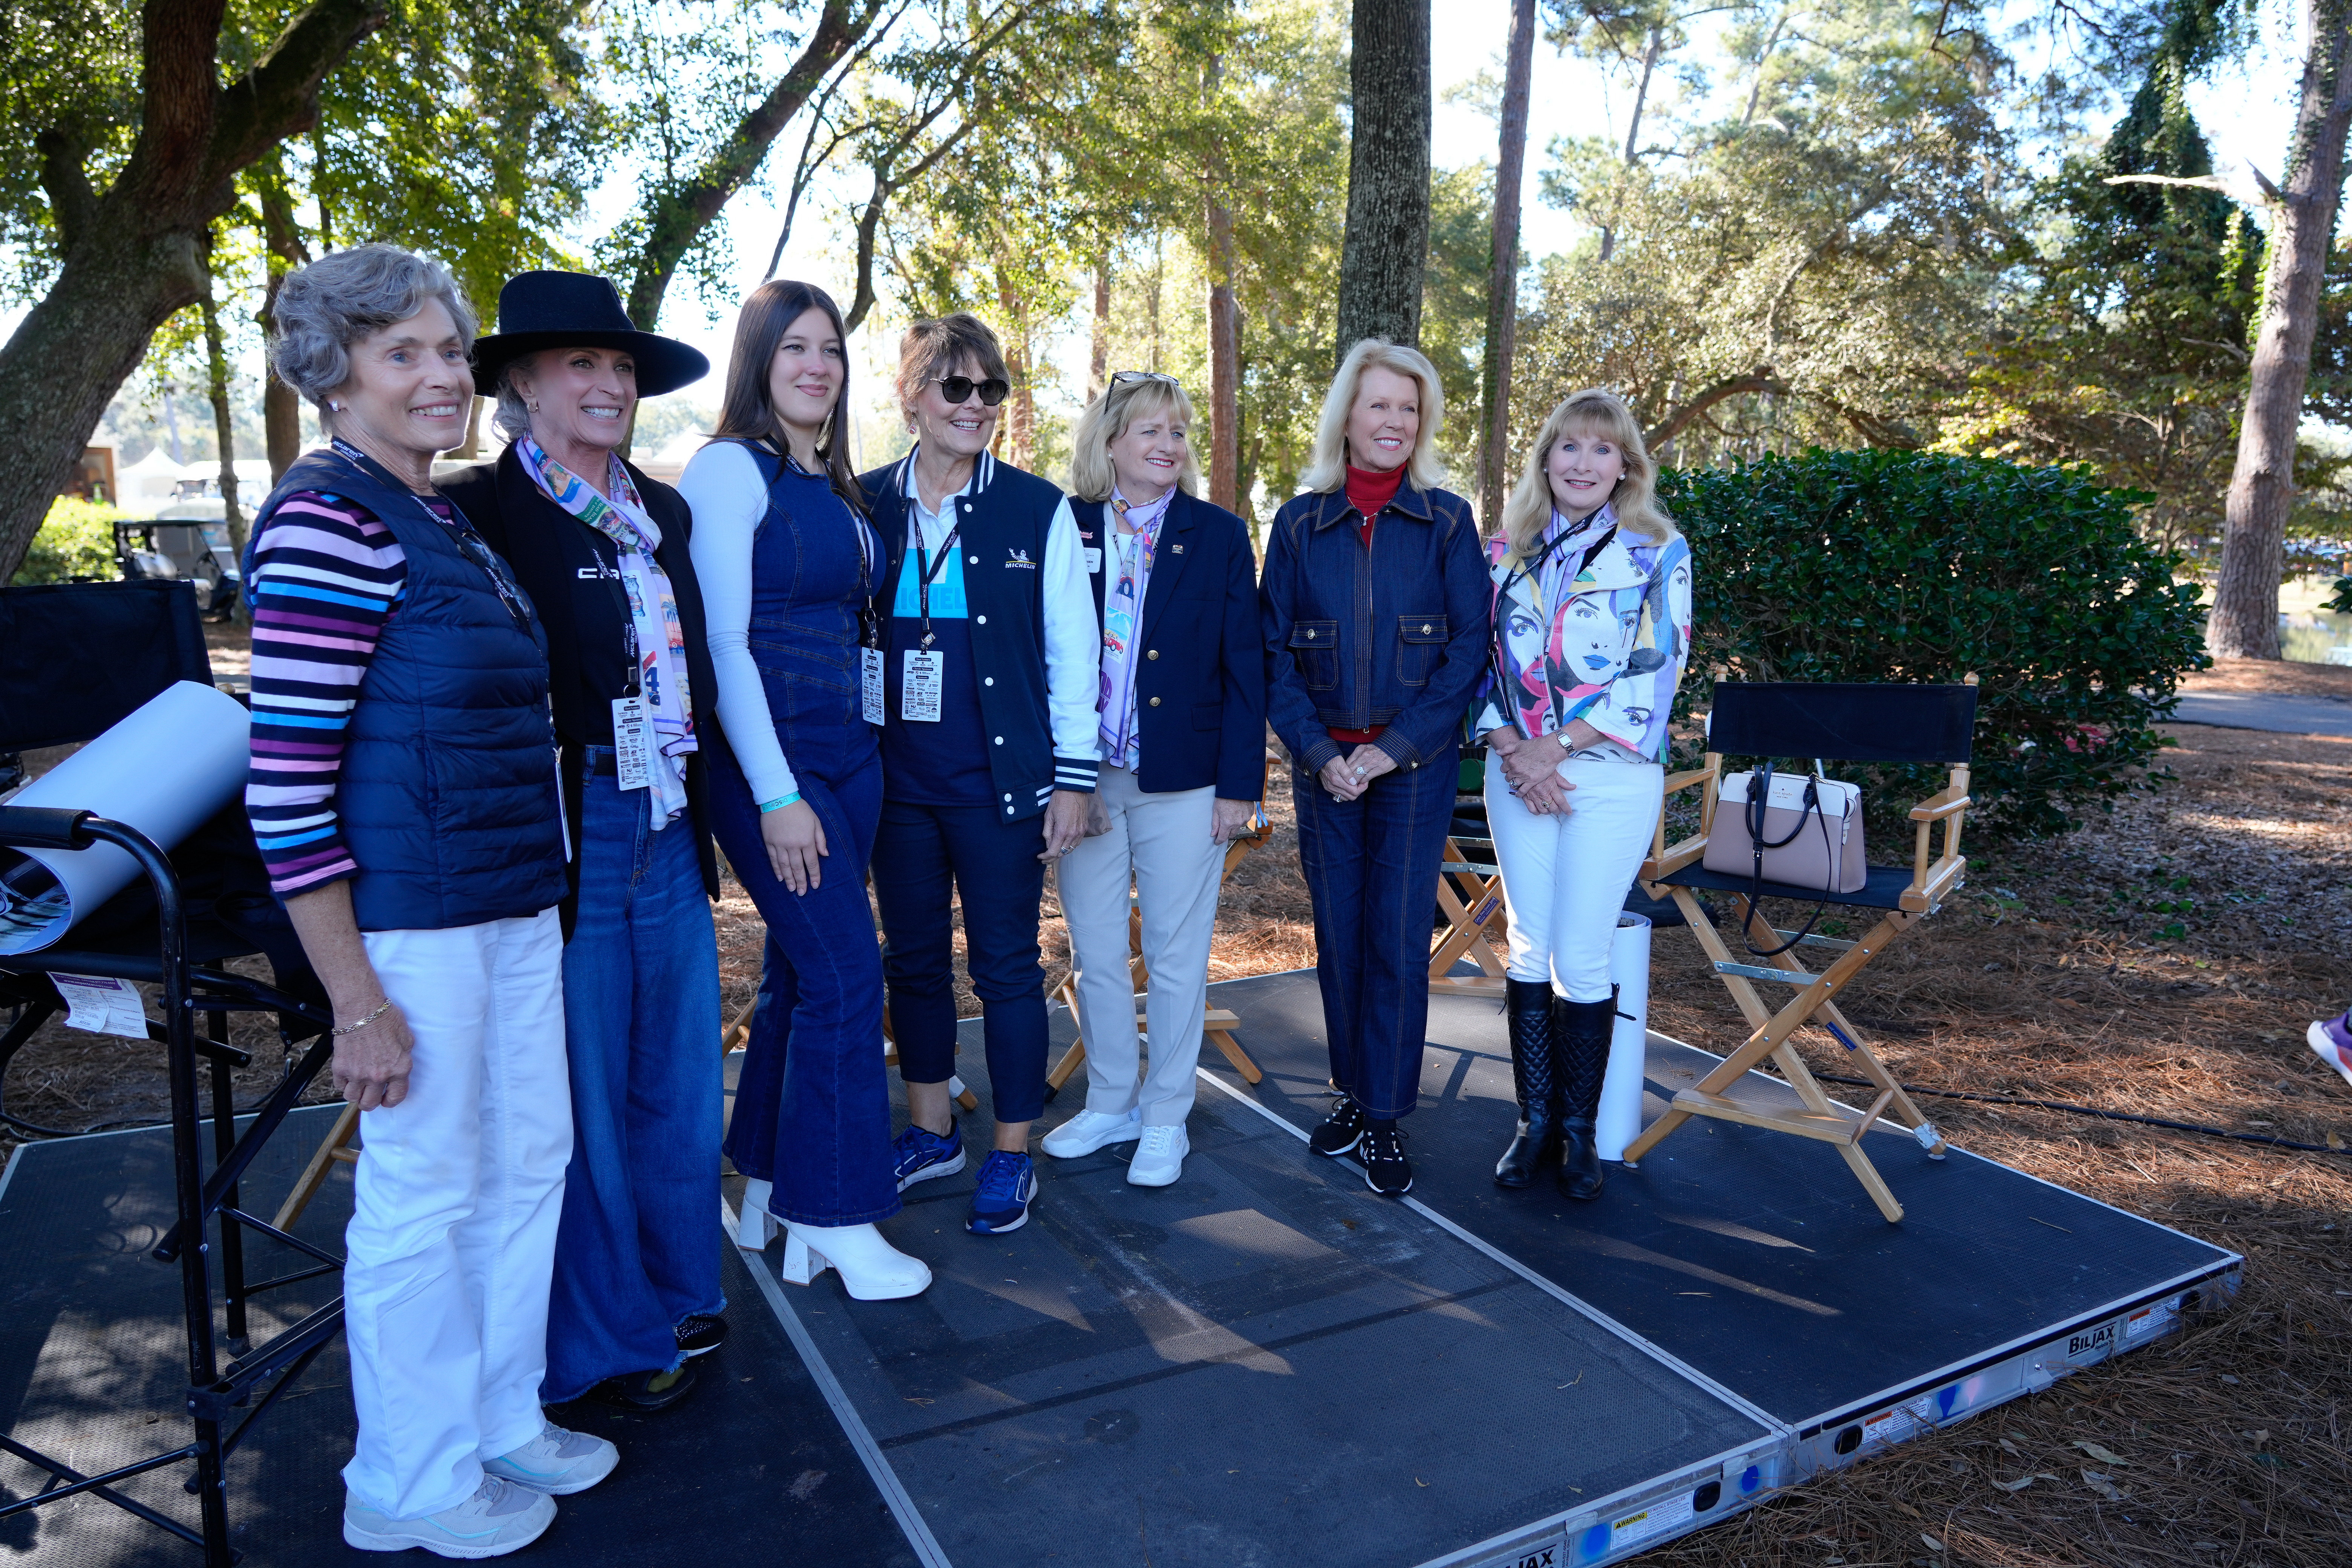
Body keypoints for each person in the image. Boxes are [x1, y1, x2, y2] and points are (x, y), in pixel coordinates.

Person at [246, 244, 606, 1559]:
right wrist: (357, 1002)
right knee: (424, 1193)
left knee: (527, 1168)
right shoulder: (326, 520)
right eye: (403, 353)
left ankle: (498, 1417)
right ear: (334, 375)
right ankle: (405, 1479)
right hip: (410, 927)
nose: (442, 375)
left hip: (513, 905)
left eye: (450, 350)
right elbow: (285, 791)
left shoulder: (442, 515)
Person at [441, 270, 727, 1413]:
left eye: (621, 368)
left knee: (677, 1073)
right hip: (568, 830)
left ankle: (678, 1287)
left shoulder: (670, 511)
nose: (609, 385)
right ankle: (606, 1335)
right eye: (582, 366)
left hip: (667, 818)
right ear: (521, 383)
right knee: (584, 1087)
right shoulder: (479, 511)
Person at [677, 281, 931, 1299]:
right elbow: (723, 645)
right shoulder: (727, 470)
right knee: (843, 978)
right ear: (759, 363)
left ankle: (772, 1178)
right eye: (794, 349)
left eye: (830, 348)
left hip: (852, 759)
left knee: (798, 976)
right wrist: (777, 795)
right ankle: (836, 1215)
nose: (817, 365)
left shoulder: (835, 484)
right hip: (771, 766)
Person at [862, 312, 1101, 1236]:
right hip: (896, 787)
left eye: (990, 389)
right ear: (911, 395)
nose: (975, 405)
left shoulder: (1034, 507)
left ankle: (1010, 1150)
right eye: (954, 386)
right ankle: (932, 1132)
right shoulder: (869, 501)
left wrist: (1072, 781)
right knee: (912, 963)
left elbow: (1073, 656)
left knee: (1005, 967)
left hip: (1002, 785)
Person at [1259, 338, 1491, 1197]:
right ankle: (1351, 1093)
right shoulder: (1297, 524)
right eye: (1379, 405)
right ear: (1347, 417)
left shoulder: (1448, 520)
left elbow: (1470, 651)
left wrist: (1388, 752)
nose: (1394, 421)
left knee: (1395, 941)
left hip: (1413, 766)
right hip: (1326, 772)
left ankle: (1387, 1117)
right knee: (1340, 939)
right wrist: (1323, 757)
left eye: (1409, 407)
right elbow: (1271, 653)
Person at [1040, 372, 1266, 1187]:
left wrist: (1242, 783)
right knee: (1097, 952)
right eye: (1150, 431)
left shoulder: (1217, 534)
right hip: (1085, 779)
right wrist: (1057, 775)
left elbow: (1247, 665)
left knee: (1176, 955)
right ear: (1109, 444)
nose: (1168, 445)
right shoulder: (1063, 525)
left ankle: (1165, 1116)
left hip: (1187, 780)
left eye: (1178, 432)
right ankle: (1109, 1101)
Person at [1474, 388, 1693, 1200]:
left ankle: (1579, 1133)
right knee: (1529, 944)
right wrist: (1515, 751)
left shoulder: (1657, 551)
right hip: (1515, 772)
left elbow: (1655, 673)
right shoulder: (1505, 552)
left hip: (1608, 776)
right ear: (1545, 459)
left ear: (1626, 464)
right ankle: (1534, 1126)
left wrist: (1554, 748)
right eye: (1568, 447)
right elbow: (1480, 664)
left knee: (1583, 952)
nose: (1583, 463)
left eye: (1601, 450)